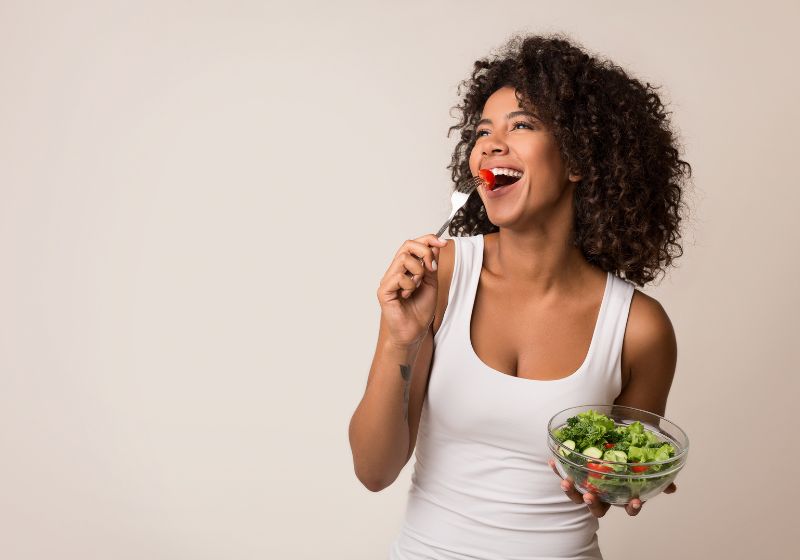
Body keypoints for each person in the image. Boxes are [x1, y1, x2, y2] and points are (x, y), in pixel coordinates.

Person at [348, 33, 692, 560]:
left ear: (578, 158)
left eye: (522, 125)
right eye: (482, 132)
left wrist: (620, 483)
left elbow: (613, 476)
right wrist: (400, 340)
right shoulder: (436, 279)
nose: (489, 144)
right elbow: (373, 471)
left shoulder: (639, 328)